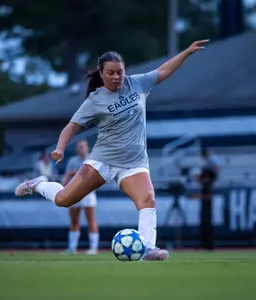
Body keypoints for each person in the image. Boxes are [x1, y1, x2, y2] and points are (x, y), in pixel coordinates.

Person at [14, 39, 210, 260]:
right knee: (63, 200)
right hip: (102, 161)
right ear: (101, 73)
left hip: (134, 164)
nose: (117, 77)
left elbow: (163, 71)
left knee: (147, 199)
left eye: (120, 72)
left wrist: (186, 52)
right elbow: (72, 127)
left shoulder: (137, 84)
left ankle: (148, 248)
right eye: (111, 73)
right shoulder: (95, 100)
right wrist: (60, 148)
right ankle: (39, 184)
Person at [62, 140, 99, 255]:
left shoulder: (92, 160)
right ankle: (72, 248)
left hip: (88, 194)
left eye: (83, 147)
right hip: (74, 193)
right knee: (74, 221)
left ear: (87, 148)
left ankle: (94, 248)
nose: (81, 149)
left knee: (91, 220)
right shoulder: (72, 161)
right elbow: (67, 176)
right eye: (79, 147)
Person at [196, 148, 219, 251]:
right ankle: (207, 244)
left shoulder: (209, 167)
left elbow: (203, 179)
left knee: (207, 221)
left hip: (207, 197)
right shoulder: (208, 166)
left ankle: (208, 245)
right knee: (206, 221)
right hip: (206, 196)